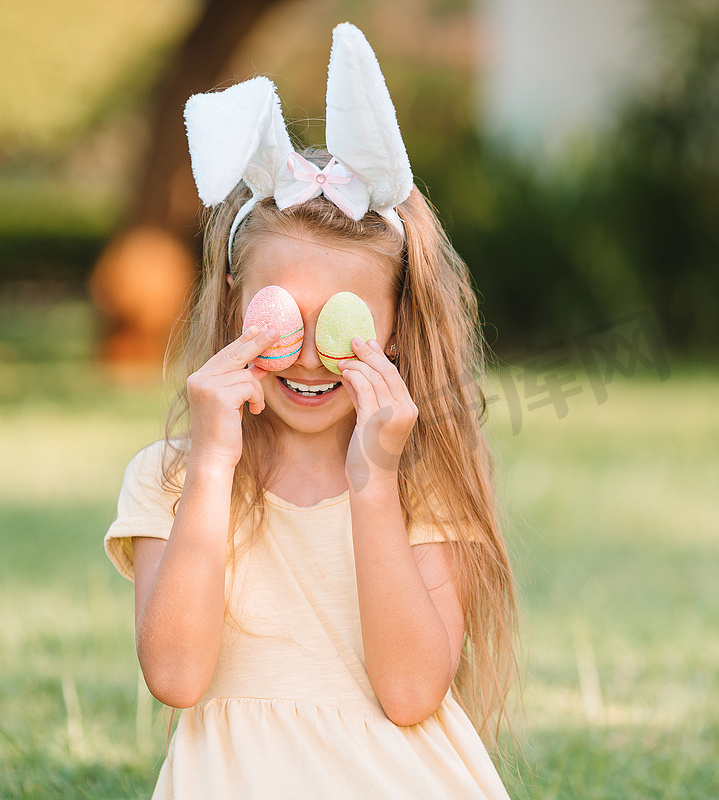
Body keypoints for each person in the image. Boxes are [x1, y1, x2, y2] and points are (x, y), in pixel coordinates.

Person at [103, 23, 518, 799]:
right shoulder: (171, 479)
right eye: (281, 314)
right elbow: (176, 675)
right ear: (230, 306)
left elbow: (410, 692)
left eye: (344, 323)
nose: (305, 355)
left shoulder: (423, 481)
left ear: (397, 329)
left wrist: (373, 483)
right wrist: (215, 466)